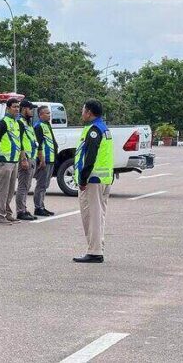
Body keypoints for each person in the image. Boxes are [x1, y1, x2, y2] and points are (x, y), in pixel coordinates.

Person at [73, 100, 114, 263]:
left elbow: (90, 157)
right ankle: (97, 248)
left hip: (93, 180)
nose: (81, 113)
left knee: (92, 216)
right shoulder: (103, 128)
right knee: (98, 216)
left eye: (83, 110)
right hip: (103, 179)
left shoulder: (94, 131)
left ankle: (95, 252)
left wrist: (83, 178)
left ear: (89, 112)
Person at [0, 98, 23, 226]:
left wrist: (22, 158)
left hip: (14, 160)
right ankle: (0, 215)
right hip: (4, 161)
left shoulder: (17, 123)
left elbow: (19, 142)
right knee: (3, 190)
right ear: (7, 108)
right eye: (14, 107)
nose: (17, 109)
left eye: (18, 107)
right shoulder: (2, 123)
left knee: (11, 190)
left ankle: (7, 212)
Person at [16, 100, 39, 221]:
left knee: (27, 185)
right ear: (24, 109)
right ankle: (20, 211)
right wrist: (23, 158)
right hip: (25, 158)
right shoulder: (20, 122)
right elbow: (19, 141)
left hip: (31, 156)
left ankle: (23, 208)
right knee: (23, 185)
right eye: (30, 109)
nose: (32, 111)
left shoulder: (28, 123)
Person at [33, 105, 57, 217]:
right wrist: (41, 159)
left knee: (45, 185)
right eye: (47, 113)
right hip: (44, 159)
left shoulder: (47, 125)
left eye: (49, 113)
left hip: (51, 159)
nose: (49, 115)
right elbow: (38, 145)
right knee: (41, 184)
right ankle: (38, 207)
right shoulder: (38, 126)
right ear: (40, 114)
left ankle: (42, 206)